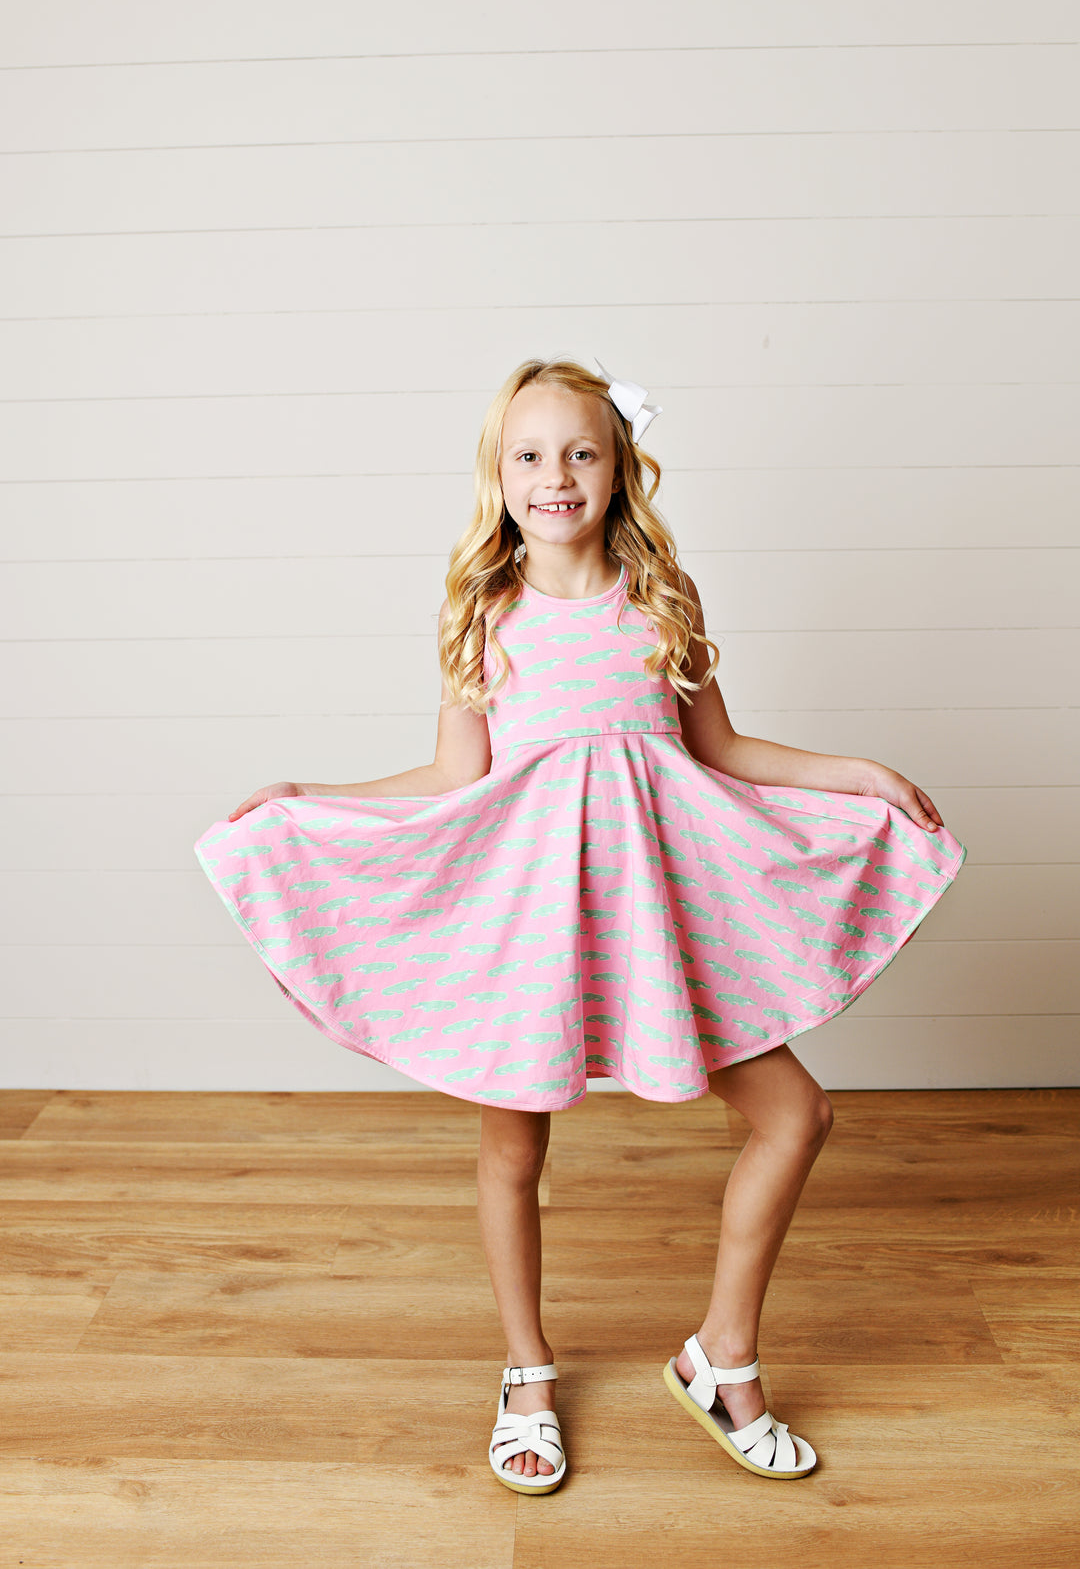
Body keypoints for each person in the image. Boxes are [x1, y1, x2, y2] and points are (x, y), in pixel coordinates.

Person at [194, 356, 967, 1496]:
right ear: (498, 474)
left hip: (662, 924)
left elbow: (721, 749)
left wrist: (857, 774)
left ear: (616, 468)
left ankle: (723, 1357)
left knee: (796, 1115)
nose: (555, 475)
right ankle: (527, 1373)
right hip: (529, 926)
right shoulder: (483, 614)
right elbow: (453, 777)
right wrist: (315, 798)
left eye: (580, 452)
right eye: (530, 455)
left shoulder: (662, 597)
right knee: (514, 1150)